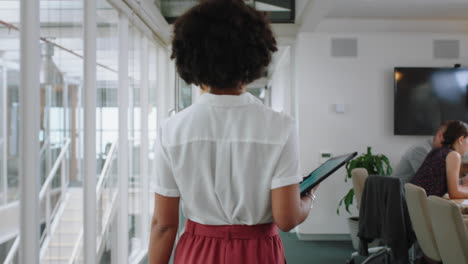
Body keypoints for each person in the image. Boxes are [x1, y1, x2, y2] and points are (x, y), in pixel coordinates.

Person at [148, 1, 317, 263]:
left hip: (197, 251)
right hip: (259, 251)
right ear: (256, 53)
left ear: (189, 56)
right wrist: (308, 199)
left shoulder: (171, 130)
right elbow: (287, 218)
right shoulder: (281, 126)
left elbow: (163, 224)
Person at [410, 120, 468, 198]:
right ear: (461, 140)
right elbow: (454, 194)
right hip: (429, 206)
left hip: (416, 205)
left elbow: (455, 189)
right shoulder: (453, 155)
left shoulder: (437, 150)